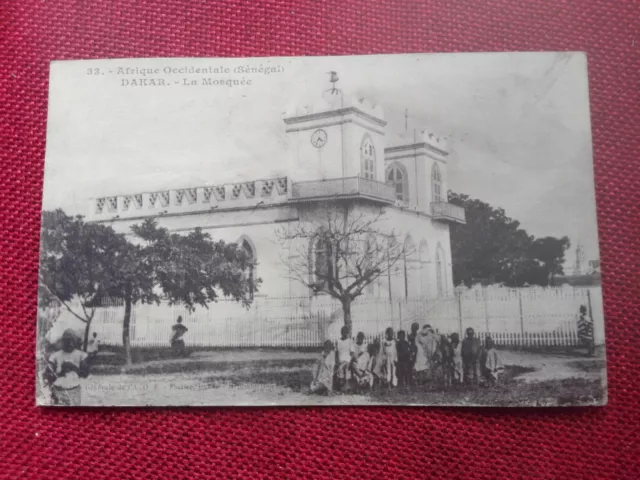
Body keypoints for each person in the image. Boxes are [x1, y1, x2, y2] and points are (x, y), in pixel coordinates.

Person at [47, 329, 90, 406]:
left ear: (75, 341)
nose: (69, 343)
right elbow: (48, 376)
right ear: (62, 341)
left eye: (71, 340)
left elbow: (85, 374)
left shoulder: (81, 355)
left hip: (74, 391)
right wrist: (61, 372)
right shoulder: (54, 356)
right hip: (58, 391)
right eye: (66, 340)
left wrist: (73, 367)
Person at [335, 326, 354, 390]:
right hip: (340, 361)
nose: (345, 333)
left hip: (347, 360)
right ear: (341, 332)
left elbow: (352, 353)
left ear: (348, 333)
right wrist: (337, 361)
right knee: (340, 368)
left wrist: (350, 361)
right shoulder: (338, 341)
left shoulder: (350, 341)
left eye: (346, 332)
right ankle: (342, 386)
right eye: (343, 332)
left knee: (343, 368)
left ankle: (346, 386)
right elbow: (336, 352)